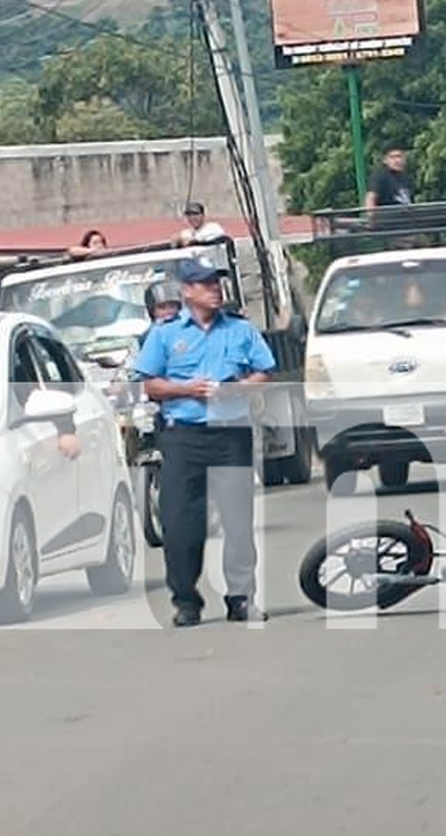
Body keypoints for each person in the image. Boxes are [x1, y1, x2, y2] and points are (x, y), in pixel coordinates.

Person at [135, 257, 276, 627]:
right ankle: (186, 601)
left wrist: (238, 389)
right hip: (184, 436)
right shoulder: (165, 334)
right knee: (182, 524)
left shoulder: (240, 330)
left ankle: (241, 597)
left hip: (231, 434)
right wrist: (186, 389)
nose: (215, 289)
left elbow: (264, 371)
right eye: (206, 283)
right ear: (186, 291)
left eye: (216, 282)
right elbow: (150, 383)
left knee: (238, 522)